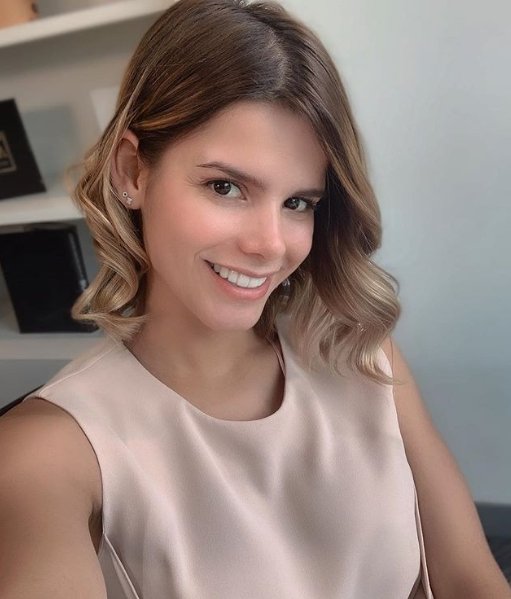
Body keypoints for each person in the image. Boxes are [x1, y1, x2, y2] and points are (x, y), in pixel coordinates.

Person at [0, 0, 509, 597]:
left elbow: (471, 582)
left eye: (298, 203)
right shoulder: (49, 452)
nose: (270, 245)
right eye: (226, 187)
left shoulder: (362, 357)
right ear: (133, 171)